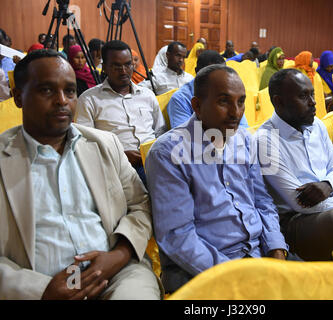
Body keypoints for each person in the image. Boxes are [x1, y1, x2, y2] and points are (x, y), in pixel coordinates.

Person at [0, 49, 162, 300]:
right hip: (40, 284)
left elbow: (140, 204)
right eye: (46, 90)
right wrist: (40, 291)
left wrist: (119, 254)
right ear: (18, 96)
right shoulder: (3, 158)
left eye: (70, 90)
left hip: (117, 273)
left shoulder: (105, 144)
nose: (62, 100)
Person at [146, 64, 288, 293]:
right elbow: (178, 238)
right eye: (224, 101)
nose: (236, 112)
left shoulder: (244, 140)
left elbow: (262, 202)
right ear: (197, 106)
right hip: (201, 271)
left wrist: (276, 249)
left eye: (241, 101)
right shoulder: (169, 153)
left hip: (257, 255)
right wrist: (238, 276)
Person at [256, 69, 333, 261]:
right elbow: (300, 203)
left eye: (312, 94)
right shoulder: (265, 141)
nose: (313, 101)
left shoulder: (317, 125)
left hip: (331, 205)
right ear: (279, 102)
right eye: (303, 96)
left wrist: (327, 186)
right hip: (295, 222)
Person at [76, 40, 166, 184]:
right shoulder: (89, 99)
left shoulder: (147, 95)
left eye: (127, 64)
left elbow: (161, 131)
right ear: (104, 67)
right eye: (116, 66)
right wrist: (119, 156)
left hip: (153, 160)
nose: (124, 71)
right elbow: (83, 143)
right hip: (116, 165)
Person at [167, 50, 248, 129]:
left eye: (224, 75)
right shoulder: (180, 99)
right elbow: (184, 136)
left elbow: (243, 130)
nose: (221, 80)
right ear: (197, 72)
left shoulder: (231, 94)